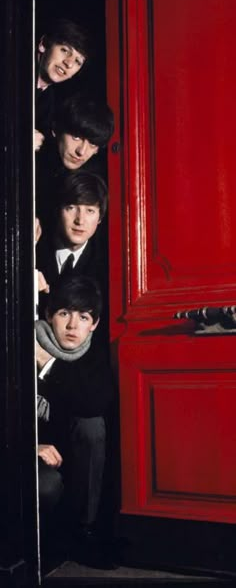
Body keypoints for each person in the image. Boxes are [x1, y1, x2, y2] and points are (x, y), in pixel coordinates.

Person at [36, 274, 115, 567]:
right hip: (33, 450)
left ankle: (85, 529)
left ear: (93, 323)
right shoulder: (26, 342)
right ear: (48, 314)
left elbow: (93, 403)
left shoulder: (94, 352)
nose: (72, 326)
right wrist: (29, 445)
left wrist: (48, 364)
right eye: (64, 313)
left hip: (73, 453)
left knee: (92, 425)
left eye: (83, 317)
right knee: (45, 486)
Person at [36, 172, 109, 346]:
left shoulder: (104, 265)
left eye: (90, 210)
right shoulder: (34, 247)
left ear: (100, 218)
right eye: (71, 207)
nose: (80, 220)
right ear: (58, 210)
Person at [36, 93, 114, 225]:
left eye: (93, 144)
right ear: (56, 129)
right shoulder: (33, 155)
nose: (81, 151)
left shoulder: (93, 182)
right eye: (76, 137)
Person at [35, 18, 92, 148]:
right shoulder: (12, 74)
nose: (69, 63)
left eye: (78, 61)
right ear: (43, 44)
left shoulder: (48, 102)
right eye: (65, 50)